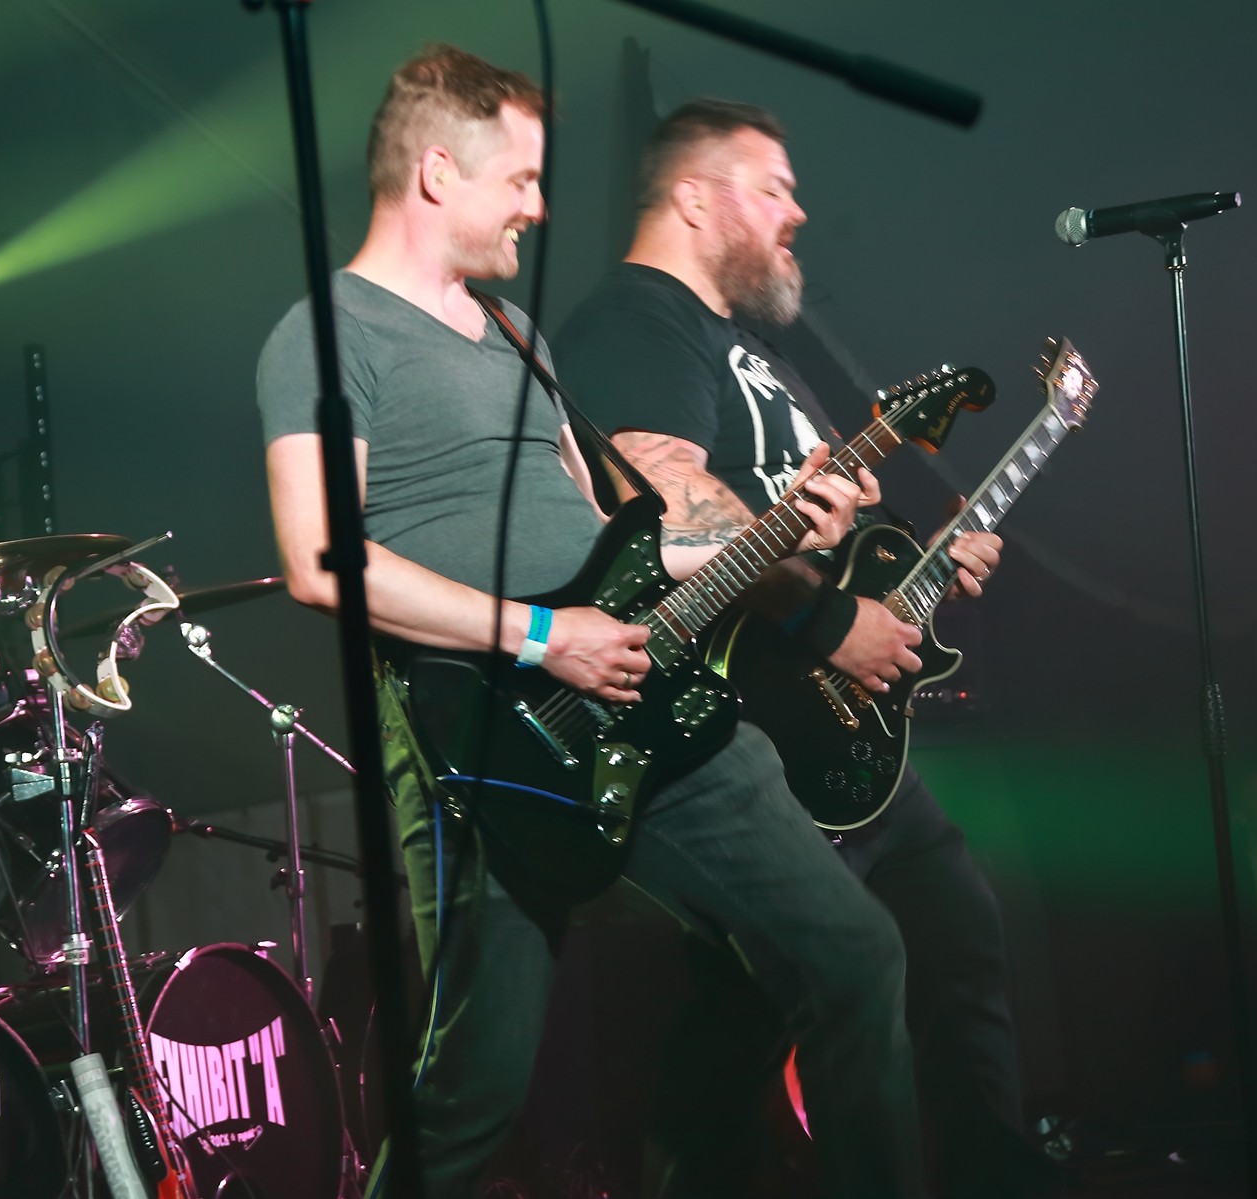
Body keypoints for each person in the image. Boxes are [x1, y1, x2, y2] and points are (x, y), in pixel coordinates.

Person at [255, 48, 925, 1199]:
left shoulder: (518, 331)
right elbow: (323, 559)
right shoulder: (328, 335)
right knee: (476, 1085)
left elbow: (622, 536)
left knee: (857, 953)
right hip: (481, 735)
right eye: (520, 178)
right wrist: (539, 635)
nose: (539, 204)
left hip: (643, 697)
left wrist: (781, 522)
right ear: (437, 173)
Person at [553, 99, 1059, 1198]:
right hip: (746, 726)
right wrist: (830, 622)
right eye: (773, 187)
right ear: (695, 198)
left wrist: (920, 568)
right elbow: (663, 499)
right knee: (770, 1006)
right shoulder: (637, 320)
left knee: (952, 944)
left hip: (842, 733)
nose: (800, 211)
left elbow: (829, 532)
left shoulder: (761, 357)